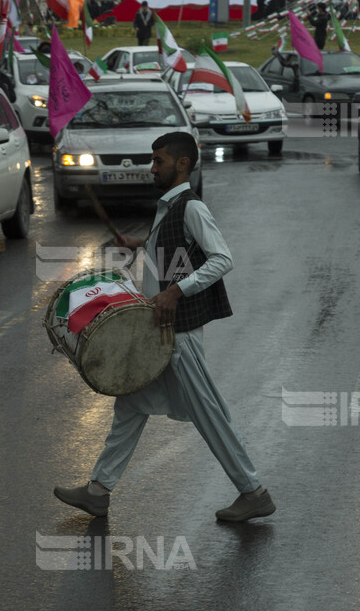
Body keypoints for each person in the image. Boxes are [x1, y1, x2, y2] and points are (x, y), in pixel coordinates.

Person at [54, 131, 273, 523]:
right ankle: (98, 491)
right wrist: (141, 243)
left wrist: (176, 291)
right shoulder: (169, 207)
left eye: (159, 160)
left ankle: (253, 491)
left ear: (182, 164)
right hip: (159, 330)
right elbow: (177, 252)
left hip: (178, 334)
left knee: (208, 414)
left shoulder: (190, 207)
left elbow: (222, 258)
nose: (152, 167)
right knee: (132, 404)